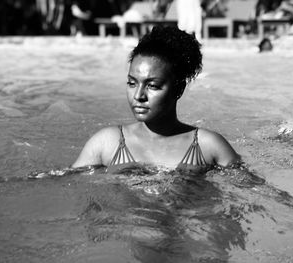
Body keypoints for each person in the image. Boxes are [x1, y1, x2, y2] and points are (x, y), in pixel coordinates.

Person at [72, 26, 239, 174]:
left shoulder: (208, 146)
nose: (138, 95)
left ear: (178, 89)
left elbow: (249, 193)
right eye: (131, 83)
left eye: (152, 86)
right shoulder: (107, 142)